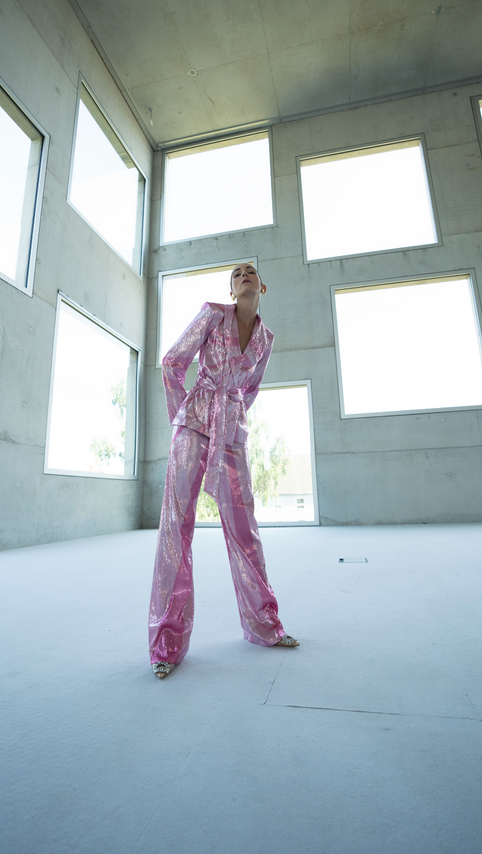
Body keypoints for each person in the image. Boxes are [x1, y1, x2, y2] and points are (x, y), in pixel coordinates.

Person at [148, 262, 299, 678]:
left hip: (230, 431)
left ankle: (264, 625)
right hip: (192, 424)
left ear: (262, 286)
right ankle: (166, 643)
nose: (243, 275)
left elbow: (249, 390)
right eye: (236, 274)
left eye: (250, 271)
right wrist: (185, 414)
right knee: (176, 527)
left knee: (245, 529)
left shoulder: (266, 339)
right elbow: (172, 361)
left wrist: (230, 417)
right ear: (232, 291)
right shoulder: (213, 314)